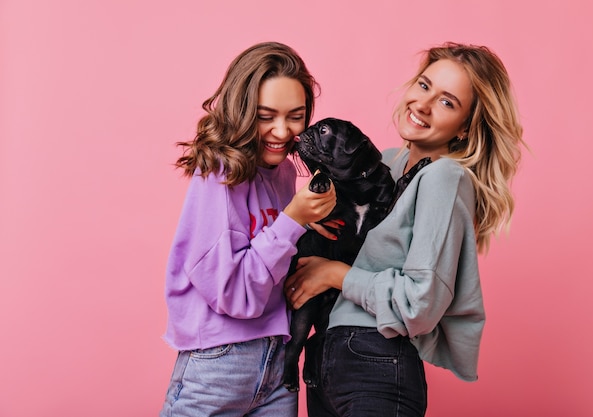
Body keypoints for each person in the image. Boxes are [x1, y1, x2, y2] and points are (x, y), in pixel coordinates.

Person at [286, 42, 526, 417]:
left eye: (448, 102)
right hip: (326, 361)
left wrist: (334, 274)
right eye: (425, 85)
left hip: (374, 360)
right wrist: (311, 217)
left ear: (465, 127)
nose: (424, 105)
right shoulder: (385, 164)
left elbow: (421, 304)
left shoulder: (444, 177)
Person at [159, 41, 336, 417]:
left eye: (296, 116)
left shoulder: (285, 172)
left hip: (279, 364)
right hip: (218, 365)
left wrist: (304, 229)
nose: (281, 131)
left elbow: (270, 259)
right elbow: (235, 295)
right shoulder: (219, 175)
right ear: (241, 111)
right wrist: (292, 221)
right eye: (265, 115)